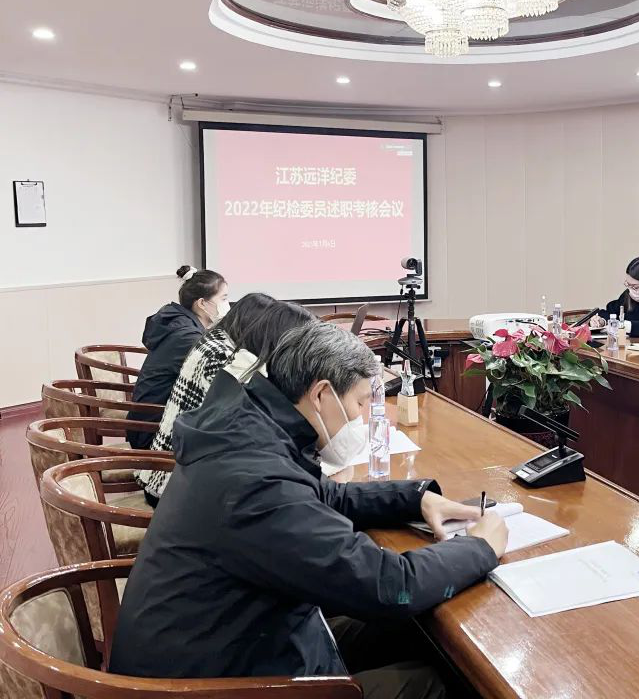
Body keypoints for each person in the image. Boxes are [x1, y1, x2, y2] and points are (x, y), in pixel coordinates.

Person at [109, 321, 508, 699]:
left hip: (240, 642)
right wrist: (480, 547)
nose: (362, 416)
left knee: (418, 634)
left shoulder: (247, 429)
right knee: (439, 682)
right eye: (360, 402)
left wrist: (415, 497)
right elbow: (389, 587)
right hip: (218, 682)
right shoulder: (257, 482)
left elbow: (322, 496)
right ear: (321, 395)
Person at [137, 293, 315, 505]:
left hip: (171, 469)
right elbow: (264, 421)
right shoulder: (225, 358)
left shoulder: (215, 340)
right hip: (173, 485)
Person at [127, 265, 228, 448]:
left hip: (150, 420)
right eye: (223, 298)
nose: (227, 305)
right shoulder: (187, 337)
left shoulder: (179, 324)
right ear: (202, 303)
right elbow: (218, 377)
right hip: (154, 432)